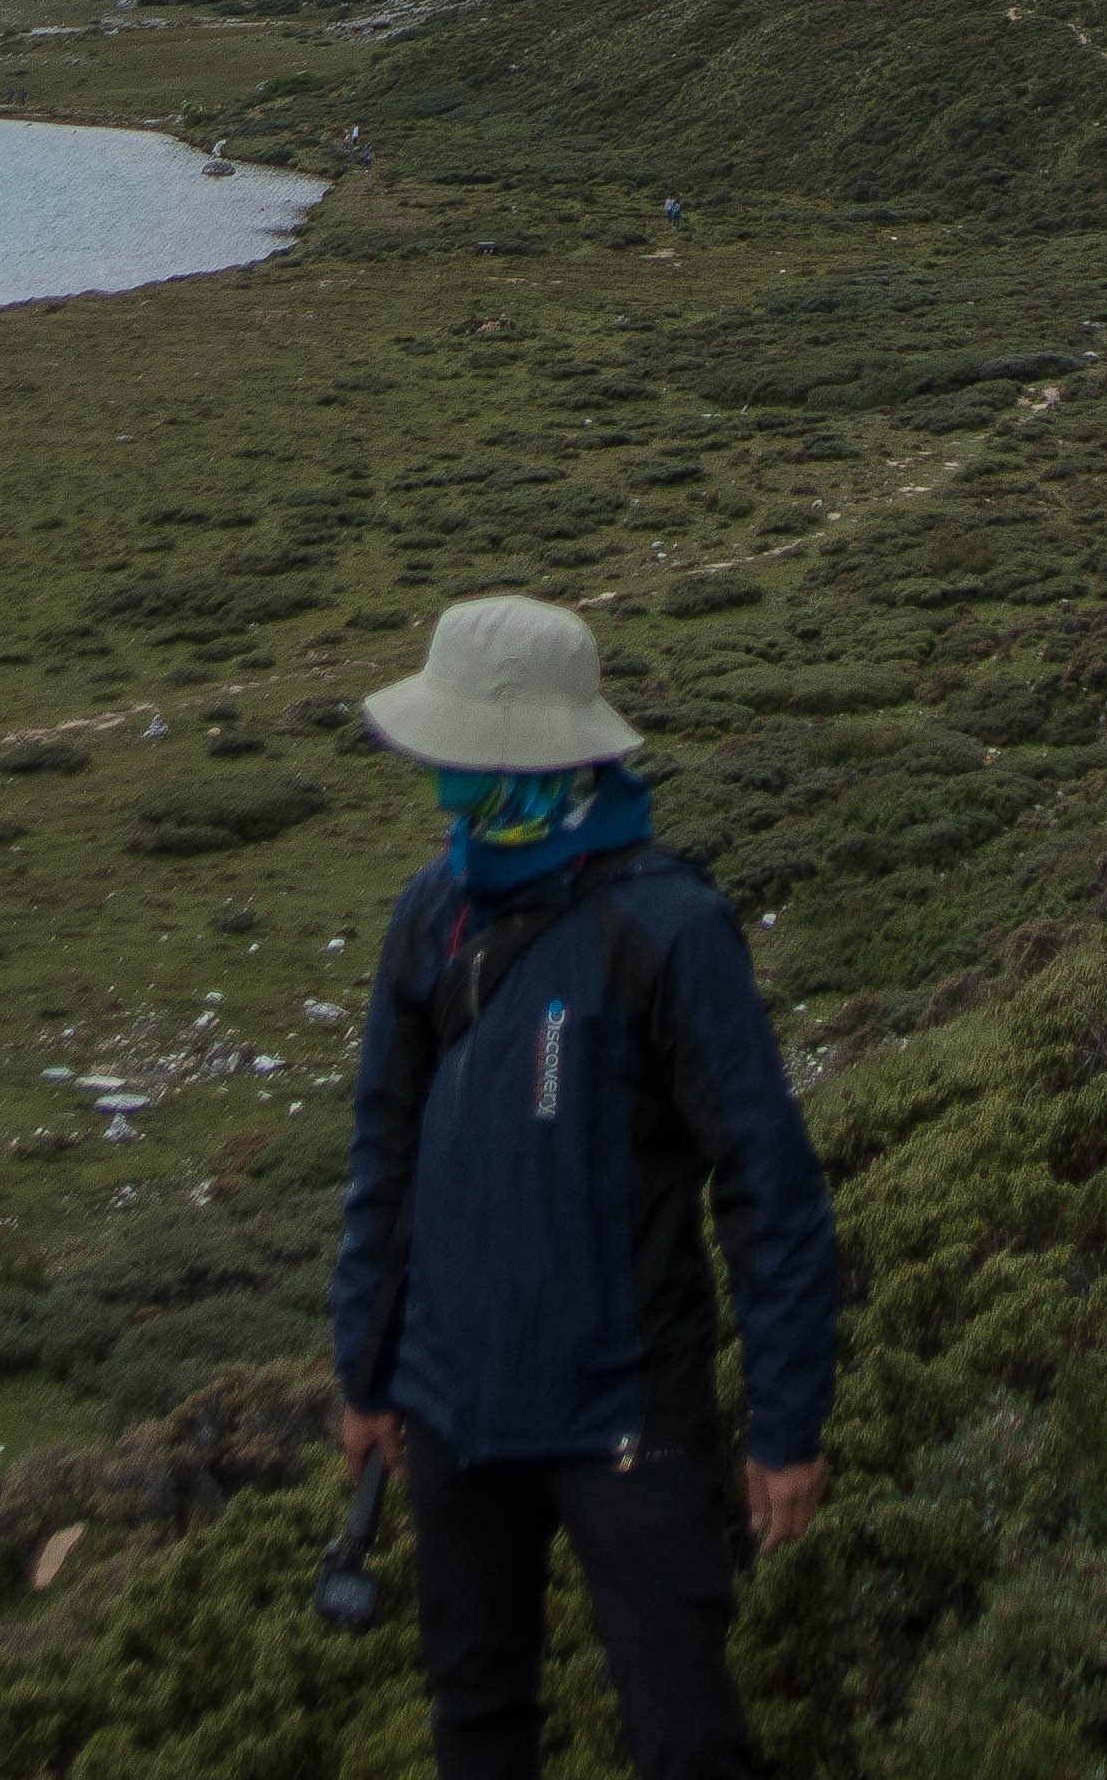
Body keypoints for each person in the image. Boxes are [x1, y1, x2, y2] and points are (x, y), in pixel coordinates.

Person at [329, 593, 838, 1780]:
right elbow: (385, 1150)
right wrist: (368, 1371)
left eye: (460, 750)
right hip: (448, 1412)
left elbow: (767, 1183)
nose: (441, 783)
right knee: (475, 1724)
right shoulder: (433, 912)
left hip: (628, 1425)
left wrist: (785, 1421)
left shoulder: (670, 929)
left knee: (686, 1740)